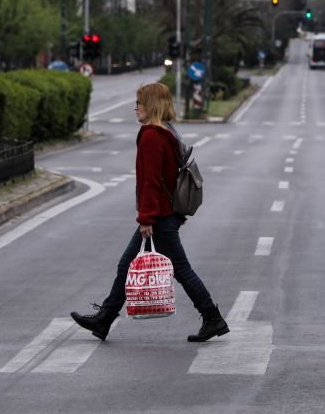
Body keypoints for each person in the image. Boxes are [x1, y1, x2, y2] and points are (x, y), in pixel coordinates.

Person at [70, 83, 229, 343]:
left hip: (159, 217)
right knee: (129, 265)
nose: (136, 107)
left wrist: (146, 219)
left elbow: (151, 182)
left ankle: (213, 318)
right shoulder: (167, 132)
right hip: (164, 214)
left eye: (140, 102)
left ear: (151, 105)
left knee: (181, 269)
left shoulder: (152, 136)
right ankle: (105, 319)